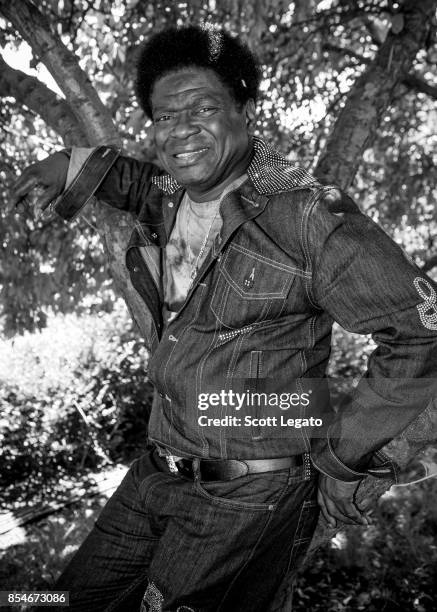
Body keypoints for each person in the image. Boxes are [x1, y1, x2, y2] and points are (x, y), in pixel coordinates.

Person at [12, 24, 437, 612]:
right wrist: (70, 164)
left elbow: (420, 332)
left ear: (243, 109)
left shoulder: (306, 215)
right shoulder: (173, 192)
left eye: (202, 108)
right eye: (163, 117)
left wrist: (346, 460)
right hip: (158, 468)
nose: (180, 130)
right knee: (58, 601)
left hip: (248, 495)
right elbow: (136, 181)